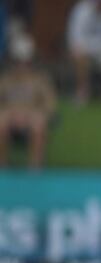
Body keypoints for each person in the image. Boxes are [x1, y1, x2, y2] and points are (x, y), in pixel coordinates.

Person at [0, 36, 56, 170]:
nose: (21, 65)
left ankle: (35, 166)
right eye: (18, 61)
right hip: (10, 115)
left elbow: (50, 104)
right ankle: (2, 164)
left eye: (25, 62)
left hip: (32, 115)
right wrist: (12, 113)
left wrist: (31, 114)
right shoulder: (5, 80)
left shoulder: (40, 80)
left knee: (39, 123)